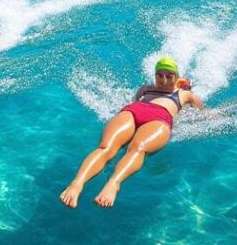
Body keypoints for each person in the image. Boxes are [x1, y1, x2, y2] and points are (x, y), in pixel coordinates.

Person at [60, 57, 205, 209]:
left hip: (159, 119)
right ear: (155, 75)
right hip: (132, 112)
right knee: (105, 147)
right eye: (159, 75)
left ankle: (113, 184)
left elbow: (203, 112)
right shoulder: (145, 89)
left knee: (138, 148)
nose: (163, 80)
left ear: (176, 77)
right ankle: (76, 184)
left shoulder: (184, 94)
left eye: (169, 76)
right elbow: (135, 100)